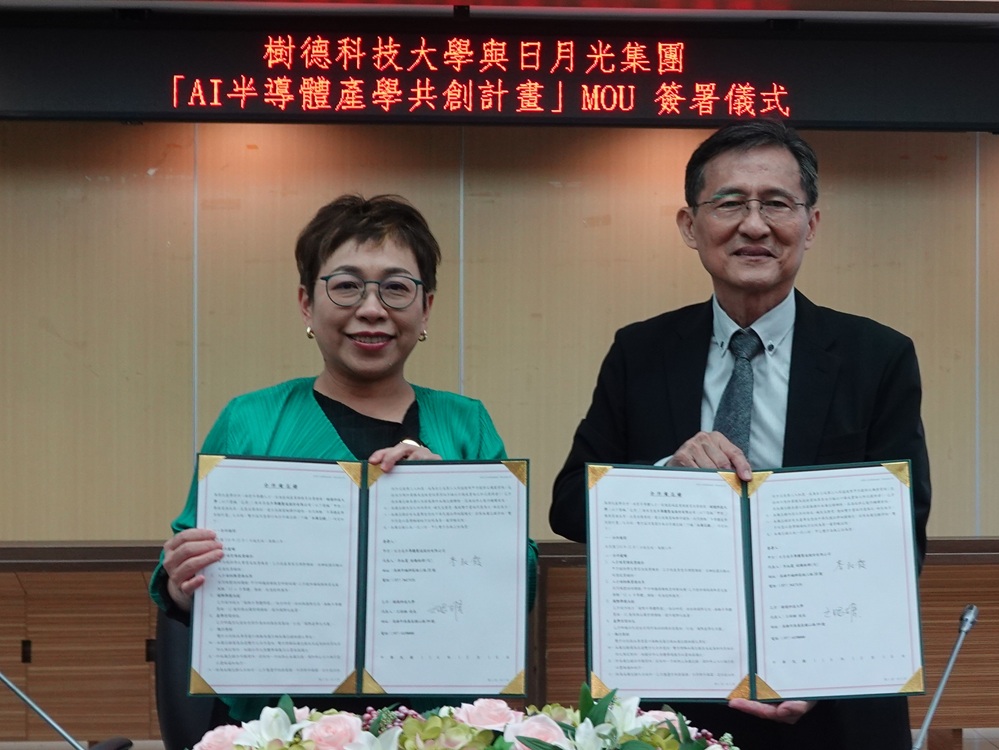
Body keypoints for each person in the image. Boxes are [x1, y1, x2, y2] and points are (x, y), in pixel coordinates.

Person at [550, 121, 930, 750]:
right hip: (673, 702)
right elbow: (569, 506)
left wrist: (822, 666)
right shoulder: (640, 352)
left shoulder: (876, 356)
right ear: (689, 225)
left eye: (776, 203)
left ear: (810, 224)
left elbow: (897, 531)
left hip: (833, 703)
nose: (754, 226)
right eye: (729, 203)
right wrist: (665, 476)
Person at [150, 193, 537, 721]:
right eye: (347, 285)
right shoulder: (251, 420)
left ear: (425, 308)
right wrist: (182, 581)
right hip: (278, 724)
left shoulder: (466, 424)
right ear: (307, 303)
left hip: (432, 725)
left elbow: (520, 581)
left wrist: (453, 505)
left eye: (396, 288)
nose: (372, 309)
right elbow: (181, 578)